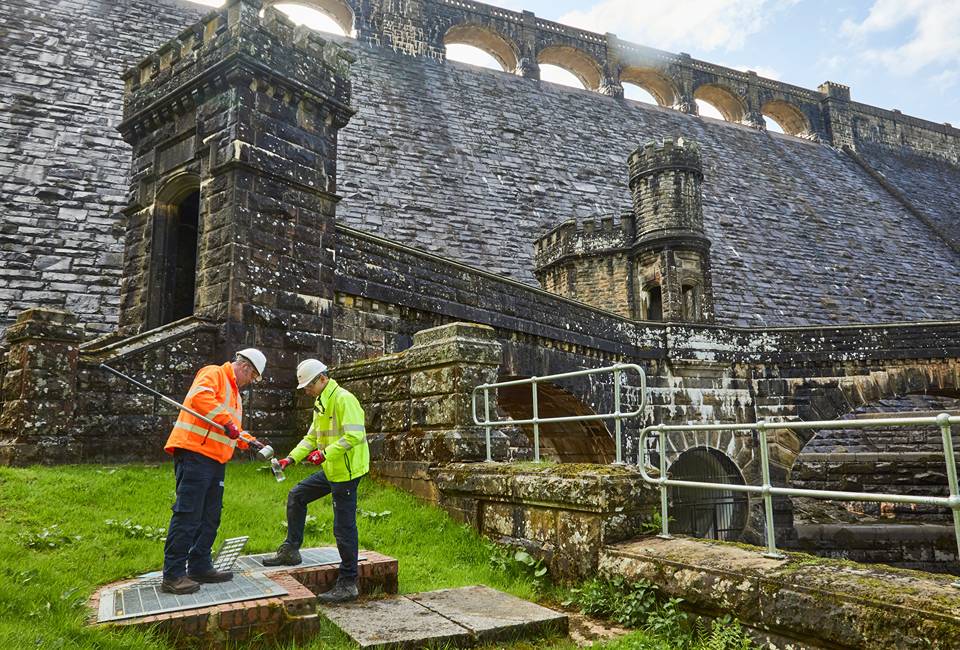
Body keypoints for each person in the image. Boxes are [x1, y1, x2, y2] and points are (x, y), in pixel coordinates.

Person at [160, 348, 267, 595]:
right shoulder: (214, 373)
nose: (251, 382)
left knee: (210, 516)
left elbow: (233, 430)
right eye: (253, 377)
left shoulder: (236, 396)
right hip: (195, 454)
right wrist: (227, 423)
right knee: (188, 515)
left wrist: (251, 442)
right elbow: (200, 397)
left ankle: (199, 565)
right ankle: (174, 574)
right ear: (245, 368)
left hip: (216, 460)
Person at [263, 358, 368, 604]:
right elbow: (311, 437)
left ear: (322, 379)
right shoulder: (321, 402)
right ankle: (291, 551)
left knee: (343, 527)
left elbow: (354, 435)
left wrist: (325, 453)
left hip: (348, 472)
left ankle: (348, 582)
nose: (307, 391)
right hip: (333, 469)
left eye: (309, 386)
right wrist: (291, 459)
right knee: (297, 495)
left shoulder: (344, 399)